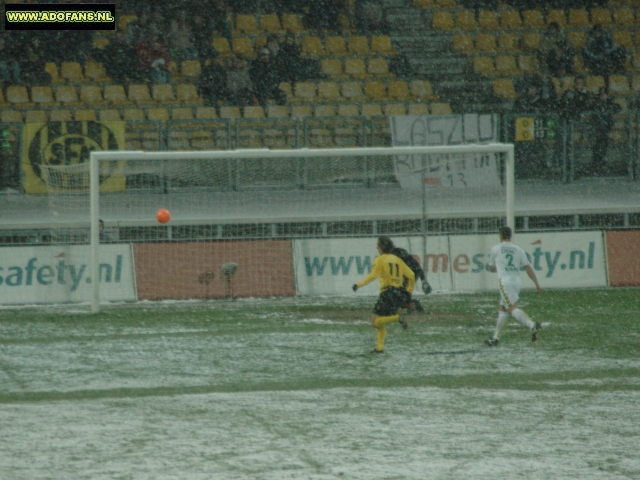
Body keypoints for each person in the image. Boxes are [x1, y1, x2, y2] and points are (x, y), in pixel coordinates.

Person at [352, 236, 415, 354]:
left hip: (387, 293)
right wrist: (408, 291)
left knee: (375, 321)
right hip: (398, 294)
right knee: (379, 321)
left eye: (378, 245)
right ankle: (379, 348)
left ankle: (397, 318)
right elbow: (411, 275)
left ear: (381, 247)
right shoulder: (397, 259)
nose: (376, 247)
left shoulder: (379, 259)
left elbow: (372, 276)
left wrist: (358, 284)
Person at [485, 226, 542, 346]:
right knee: (502, 309)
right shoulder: (518, 249)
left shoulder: (496, 249)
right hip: (517, 281)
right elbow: (528, 267)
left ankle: (532, 325)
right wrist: (537, 284)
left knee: (512, 309)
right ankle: (495, 338)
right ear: (510, 236)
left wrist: (499, 267)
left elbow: (491, 268)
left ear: (500, 236)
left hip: (505, 282)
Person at [391, 243, 432, 313]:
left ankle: (410, 304)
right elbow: (416, 266)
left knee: (398, 295)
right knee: (400, 294)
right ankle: (411, 304)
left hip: (410, 273)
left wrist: (423, 280)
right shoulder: (397, 254)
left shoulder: (397, 255)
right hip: (409, 273)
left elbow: (416, 265)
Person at [589, 87, 621, 176]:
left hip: (605, 128)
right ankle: (597, 162)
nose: (602, 96)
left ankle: (600, 161)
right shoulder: (596, 103)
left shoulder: (609, 102)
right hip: (597, 129)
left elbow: (618, 107)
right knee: (598, 144)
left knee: (603, 143)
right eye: (601, 94)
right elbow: (592, 110)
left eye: (604, 94)